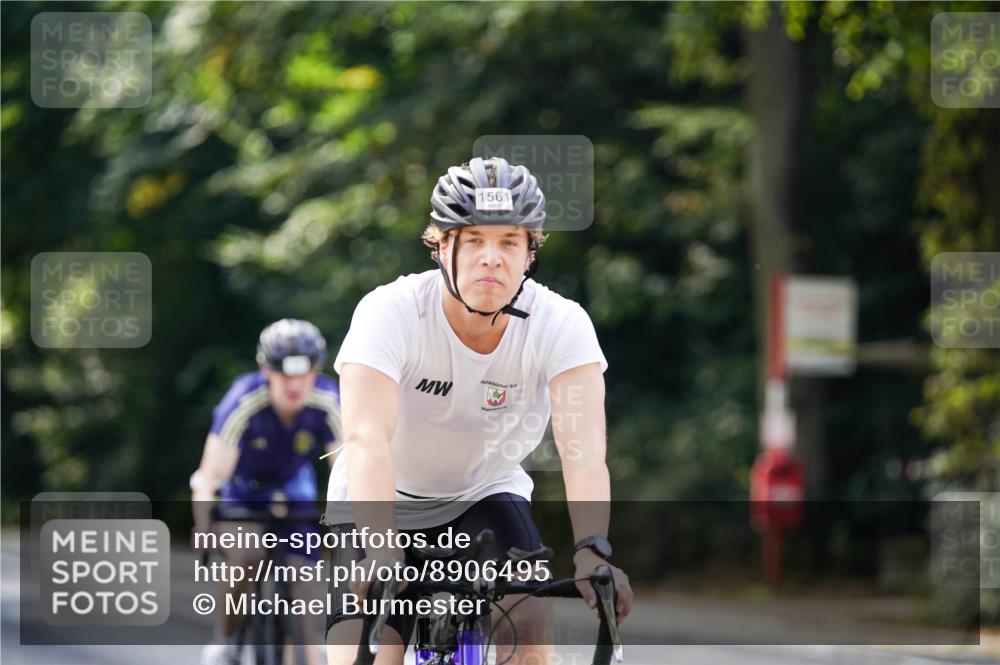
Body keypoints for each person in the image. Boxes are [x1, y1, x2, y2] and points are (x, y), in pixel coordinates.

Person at [324, 156, 633, 665]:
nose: (492, 257)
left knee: (530, 626)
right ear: (442, 247)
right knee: (368, 653)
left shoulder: (561, 324)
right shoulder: (390, 311)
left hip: (483, 494)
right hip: (379, 497)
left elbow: (583, 455)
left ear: (530, 254)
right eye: (475, 240)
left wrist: (591, 551)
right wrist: (379, 545)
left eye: (510, 241)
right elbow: (366, 440)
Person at [192, 318, 342, 665]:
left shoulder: (328, 400)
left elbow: (350, 468)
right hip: (242, 493)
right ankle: (226, 640)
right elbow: (209, 477)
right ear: (266, 370)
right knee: (245, 556)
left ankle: (306, 655)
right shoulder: (243, 401)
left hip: (294, 492)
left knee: (304, 581)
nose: (295, 384)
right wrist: (203, 524)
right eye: (284, 374)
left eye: (305, 374)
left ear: (316, 370)